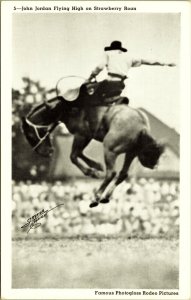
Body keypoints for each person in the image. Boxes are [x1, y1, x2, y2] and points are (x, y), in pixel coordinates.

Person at [88, 40, 176, 102]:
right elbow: (147, 61)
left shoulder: (108, 53)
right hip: (120, 85)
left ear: (111, 48)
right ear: (120, 49)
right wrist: (165, 63)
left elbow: (100, 66)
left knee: (90, 96)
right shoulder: (128, 57)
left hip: (109, 82)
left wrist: (92, 76)